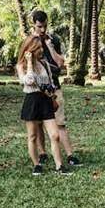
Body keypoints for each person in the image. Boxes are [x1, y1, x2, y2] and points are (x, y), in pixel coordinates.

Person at [31, 10, 80, 167]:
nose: (43, 30)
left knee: (59, 122)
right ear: (34, 24)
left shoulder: (54, 40)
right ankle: (43, 153)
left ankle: (70, 155)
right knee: (38, 123)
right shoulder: (30, 41)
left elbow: (60, 64)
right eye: (39, 27)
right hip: (37, 90)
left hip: (54, 88)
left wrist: (50, 47)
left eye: (45, 26)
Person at [17, 34, 68, 175]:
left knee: (55, 135)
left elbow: (51, 82)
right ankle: (36, 164)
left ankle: (59, 166)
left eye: (41, 47)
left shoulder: (44, 63)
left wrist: (53, 96)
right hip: (32, 100)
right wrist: (29, 62)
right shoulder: (21, 66)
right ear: (29, 49)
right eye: (37, 48)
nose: (40, 50)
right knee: (32, 136)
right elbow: (28, 80)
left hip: (45, 100)